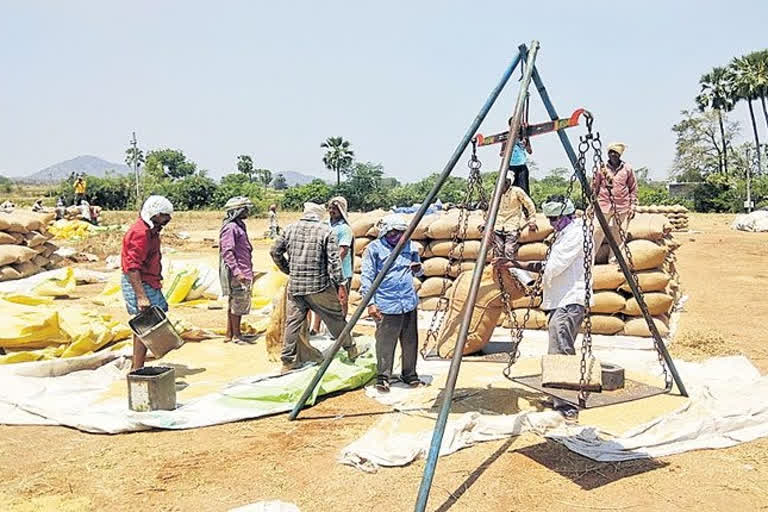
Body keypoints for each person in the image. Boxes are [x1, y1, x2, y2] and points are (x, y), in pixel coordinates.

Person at [494, 195, 591, 420]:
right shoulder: (563, 233)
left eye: (556, 218)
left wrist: (516, 264)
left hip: (570, 299)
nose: (552, 223)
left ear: (568, 214)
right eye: (549, 219)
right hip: (559, 299)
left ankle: (568, 402)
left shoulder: (576, 234)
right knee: (556, 347)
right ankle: (558, 394)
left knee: (562, 350)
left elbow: (554, 267)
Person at [270, 202, 365, 372]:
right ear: (319, 215)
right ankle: (351, 350)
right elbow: (334, 262)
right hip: (319, 287)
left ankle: (287, 361)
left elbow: (274, 251)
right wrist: (341, 285)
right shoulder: (325, 231)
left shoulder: (290, 229)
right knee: (335, 320)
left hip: (296, 286)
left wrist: (288, 269)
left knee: (292, 323)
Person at [361, 214, 424, 392]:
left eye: (402, 233)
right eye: (395, 233)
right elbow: (367, 278)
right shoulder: (374, 249)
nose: (398, 237)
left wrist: (419, 269)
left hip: (408, 301)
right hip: (386, 303)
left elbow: (419, 270)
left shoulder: (409, 246)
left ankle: (409, 373)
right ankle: (383, 376)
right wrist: (371, 304)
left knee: (410, 340)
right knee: (385, 342)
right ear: (387, 232)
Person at [121, 195, 173, 370]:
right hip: (139, 283)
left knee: (147, 325)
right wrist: (141, 296)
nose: (168, 220)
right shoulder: (140, 233)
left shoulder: (151, 231)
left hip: (149, 282)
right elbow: (132, 267)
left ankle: (138, 366)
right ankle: (137, 368)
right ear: (155, 214)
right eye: (165, 215)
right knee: (143, 326)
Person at [311, 196, 354, 335]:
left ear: (342, 210)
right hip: (323, 271)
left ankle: (340, 330)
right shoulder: (324, 225)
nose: (332, 211)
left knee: (341, 301)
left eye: (335, 208)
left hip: (342, 271)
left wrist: (332, 265)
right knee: (320, 301)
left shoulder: (344, 229)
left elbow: (343, 250)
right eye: (330, 208)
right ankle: (316, 327)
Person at [219, 196, 255, 345]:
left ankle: (230, 333)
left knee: (235, 302)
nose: (247, 211)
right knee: (238, 302)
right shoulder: (231, 228)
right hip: (238, 272)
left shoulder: (239, 226)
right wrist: (237, 271)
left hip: (243, 269)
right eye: (245, 209)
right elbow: (227, 251)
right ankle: (236, 336)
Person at [592, 142, 638, 258]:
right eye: (610, 152)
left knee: (619, 234)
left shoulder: (627, 169)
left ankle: (614, 260)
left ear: (619, 155)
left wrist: (632, 206)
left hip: (622, 206)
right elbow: (594, 187)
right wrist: (592, 205)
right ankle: (590, 258)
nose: (612, 155)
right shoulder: (601, 169)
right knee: (597, 231)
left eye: (615, 153)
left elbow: (633, 188)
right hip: (603, 205)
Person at [489, 178, 538, 260]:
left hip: (512, 225)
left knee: (509, 250)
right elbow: (491, 208)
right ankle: (498, 271)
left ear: (508, 183)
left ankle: (510, 270)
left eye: (503, 184)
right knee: (498, 251)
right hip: (498, 225)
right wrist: (486, 223)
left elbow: (529, 204)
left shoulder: (517, 191)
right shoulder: (495, 192)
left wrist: (532, 219)